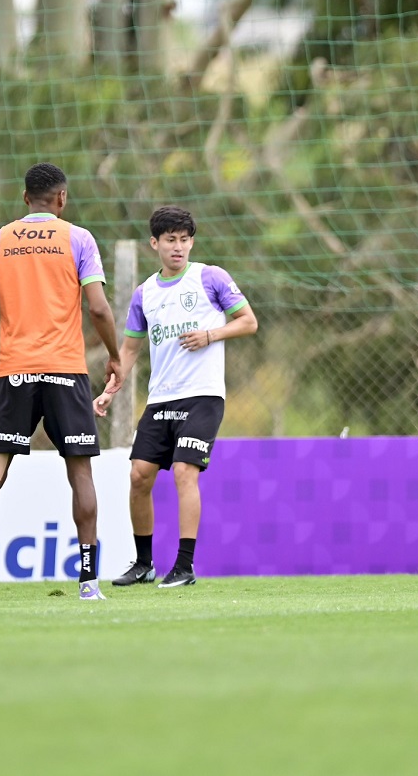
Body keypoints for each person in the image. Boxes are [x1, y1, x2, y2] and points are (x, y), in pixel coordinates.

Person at [0, 163, 123, 601]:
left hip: (15, 370)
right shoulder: (78, 239)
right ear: (62, 199)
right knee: (79, 470)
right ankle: (88, 582)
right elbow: (99, 309)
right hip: (66, 369)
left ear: (25, 199)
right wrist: (116, 357)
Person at [94, 206, 258, 588]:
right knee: (139, 476)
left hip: (202, 396)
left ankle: (184, 567)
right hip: (161, 400)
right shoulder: (144, 294)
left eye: (185, 240)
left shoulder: (210, 278)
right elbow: (130, 350)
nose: (178, 247)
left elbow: (248, 321)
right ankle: (144, 564)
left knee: (185, 473)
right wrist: (110, 390)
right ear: (155, 243)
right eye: (170, 240)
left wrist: (210, 335)